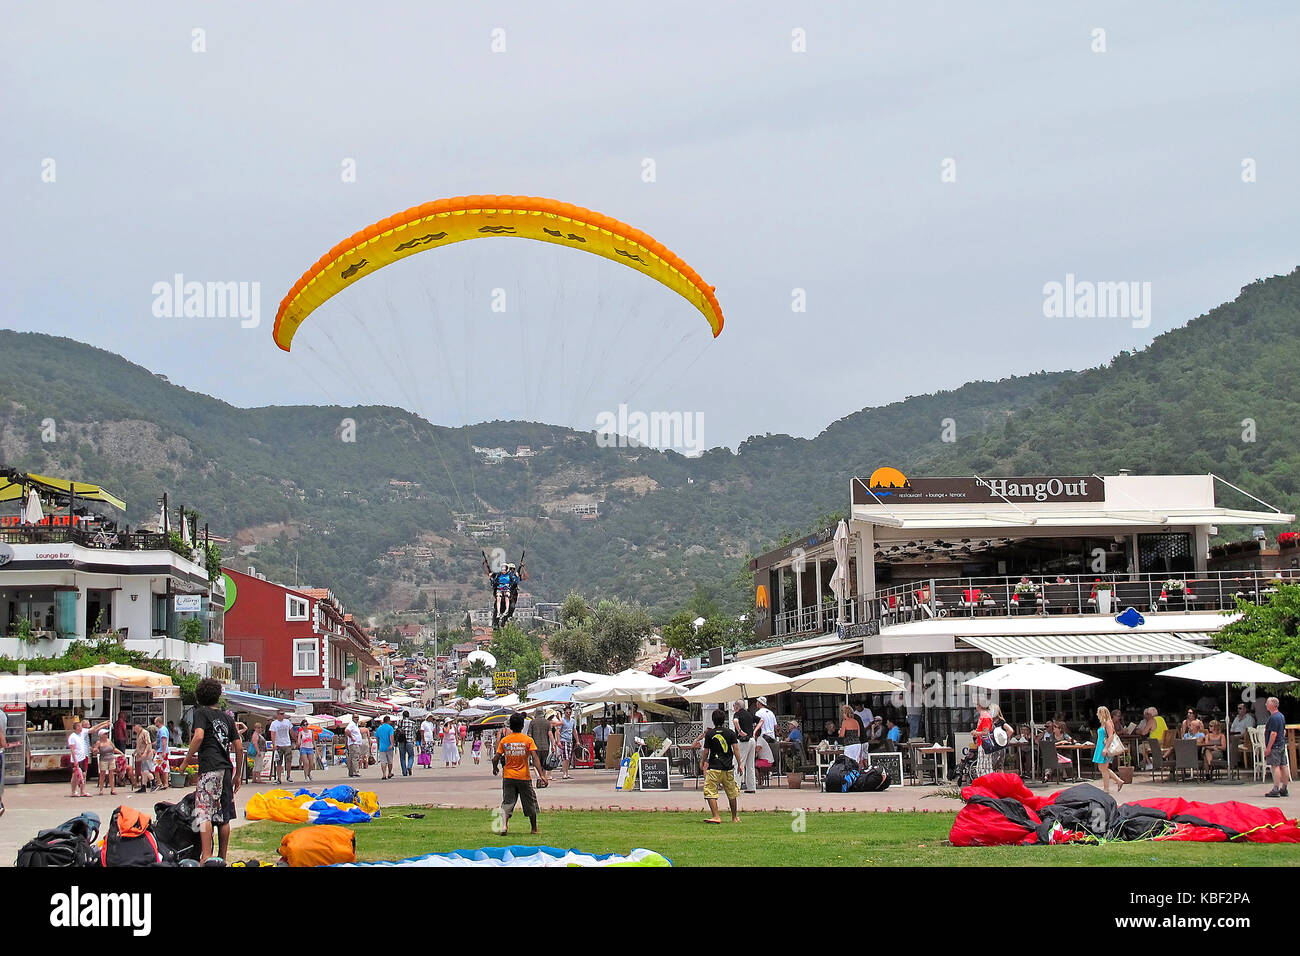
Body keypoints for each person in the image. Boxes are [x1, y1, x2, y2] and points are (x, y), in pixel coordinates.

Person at [182, 677, 244, 864]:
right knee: (224, 816)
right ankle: (222, 857)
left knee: (204, 812)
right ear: (218, 695)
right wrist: (238, 774)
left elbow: (199, 736)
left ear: (199, 696)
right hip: (225, 769)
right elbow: (239, 747)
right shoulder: (227, 717)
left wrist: (186, 761)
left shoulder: (201, 713)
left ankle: (206, 856)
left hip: (209, 767)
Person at [492, 712, 543, 836]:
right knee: (530, 802)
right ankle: (534, 828)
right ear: (522, 726)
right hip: (523, 776)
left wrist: (495, 768)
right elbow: (535, 757)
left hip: (508, 776)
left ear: (510, 726)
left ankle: (504, 825)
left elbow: (496, 757)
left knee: (508, 802)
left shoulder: (505, 740)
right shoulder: (527, 740)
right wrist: (542, 775)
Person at [698, 708, 741, 824]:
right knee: (731, 792)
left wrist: (702, 762)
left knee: (710, 790)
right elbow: (736, 750)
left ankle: (716, 816)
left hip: (714, 767)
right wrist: (740, 764)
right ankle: (734, 817)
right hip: (728, 768)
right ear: (724, 720)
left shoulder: (710, 734)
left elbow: (706, 751)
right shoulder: (730, 733)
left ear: (713, 720)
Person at [1093, 706, 1124, 794]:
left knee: (1103, 768)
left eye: (1098, 713)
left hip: (1104, 747)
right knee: (1102, 768)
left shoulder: (1108, 723)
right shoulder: (1103, 723)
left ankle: (1106, 788)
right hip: (1100, 746)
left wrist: (1105, 748)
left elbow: (1111, 736)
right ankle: (1118, 781)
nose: (1097, 714)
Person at [1263, 696, 1290, 798]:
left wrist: (1268, 748)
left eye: (1267, 703)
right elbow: (1283, 731)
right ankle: (1284, 788)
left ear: (1272, 705)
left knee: (1275, 766)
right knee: (1283, 765)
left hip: (1275, 746)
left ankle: (1276, 789)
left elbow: (1273, 733)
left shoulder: (1273, 718)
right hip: (1281, 744)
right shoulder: (1281, 716)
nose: (1266, 705)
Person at [733, 699, 758, 793]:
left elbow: (735, 721)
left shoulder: (737, 714)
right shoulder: (749, 713)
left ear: (736, 706)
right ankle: (751, 787)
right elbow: (761, 720)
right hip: (751, 739)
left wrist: (739, 731)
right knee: (750, 765)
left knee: (739, 763)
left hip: (743, 740)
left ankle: (736, 786)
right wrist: (755, 732)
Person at [267, 710, 294, 784]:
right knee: (278, 762)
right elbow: (272, 734)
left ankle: (288, 776)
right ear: (277, 715)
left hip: (287, 744)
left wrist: (296, 739)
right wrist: (274, 744)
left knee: (288, 760)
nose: (282, 715)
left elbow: (291, 731)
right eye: (280, 714)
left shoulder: (287, 722)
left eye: (283, 714)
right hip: (279, 745)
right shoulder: (274, 723)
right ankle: (279, 778)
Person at [94, 728, 124, 795]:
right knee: (102, 774)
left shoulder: (109, 741)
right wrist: (95, 750)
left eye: (107, 733)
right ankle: (101, 790)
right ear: (101, 735)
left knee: (111, 774)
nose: (107, 735)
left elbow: (114, 749)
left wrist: (121, 753)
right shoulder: (98, 742)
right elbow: (95, 751)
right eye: (105, 734)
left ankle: (112, 789)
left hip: (111, 758)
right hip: (103, 759)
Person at [529, 709, 553, 786]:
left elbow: (529, 735)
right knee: (544, 764)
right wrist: (553, 744)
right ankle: (543, 779)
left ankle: (539, 777)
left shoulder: (532, 722)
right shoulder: (547, 722)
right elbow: (550, 734)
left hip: (535, 746)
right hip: (545, 746)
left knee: (536, 763)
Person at [556, 704, 579, 779]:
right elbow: (558, 731)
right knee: (565, 757)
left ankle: (567, 772)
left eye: (569, 712)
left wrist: (577, 741)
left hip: (570, 740)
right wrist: (558, 741)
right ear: (564, 713)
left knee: (568, 757)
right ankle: (564, 773)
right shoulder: (562, 720)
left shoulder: (572, 721)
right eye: (567, 712)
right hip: (563, 740)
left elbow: (574, 731)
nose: (568, 714)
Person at [397, 710, 419, 776]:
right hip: (409, 741)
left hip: (401, 741)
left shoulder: (400, 722)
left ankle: (404, 772)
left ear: (403, 716)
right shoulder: (412, 723)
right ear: (408, 716)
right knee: (411, 755)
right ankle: (409, 766)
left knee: (402, 757)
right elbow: (414, 733)